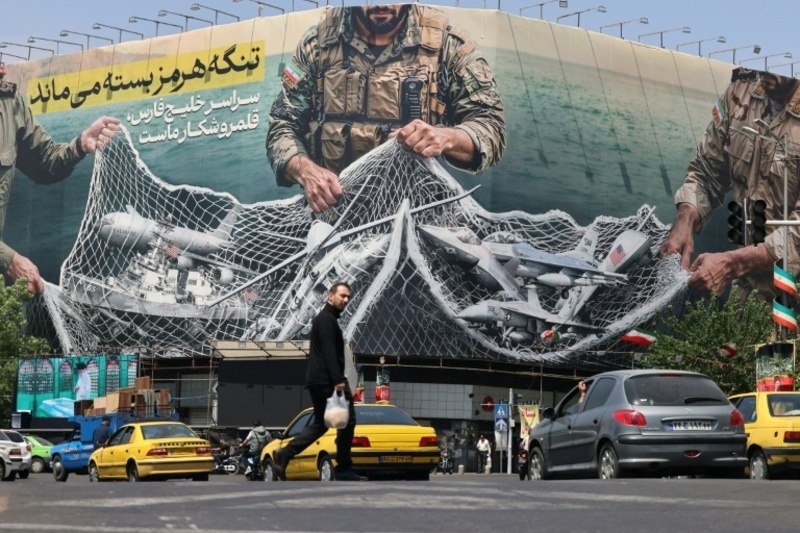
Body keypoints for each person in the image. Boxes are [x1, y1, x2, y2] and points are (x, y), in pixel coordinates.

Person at [266, 4, 506, 213]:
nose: (382, 5)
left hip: (420, 214)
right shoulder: (316, 44)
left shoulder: (448, 44)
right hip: (333, 213)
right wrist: (305, 170)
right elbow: (282, 124)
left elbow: (491, 125)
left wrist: (446, 137)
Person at [660, 67, 800, 300]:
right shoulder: (740, 91)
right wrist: (685, 220)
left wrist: (731, 264)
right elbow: (707, 171)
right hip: (746, 287)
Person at [0, 61, 120, 295]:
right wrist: (9, 260)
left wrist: (80, 145)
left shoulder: (10, 104)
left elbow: (44, 162)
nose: (3, 70)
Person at [273, 282, 364, 481]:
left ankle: (285, 454)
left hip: (319, 379)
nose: (346, 300)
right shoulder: (326, 320)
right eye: (342, 295)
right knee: (348, 421)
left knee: (321, 424)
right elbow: (329, 352)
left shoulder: (326, 319)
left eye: (348, 297)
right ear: (330, 296)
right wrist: (338, 379)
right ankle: (344, 468)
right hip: (328, 380)